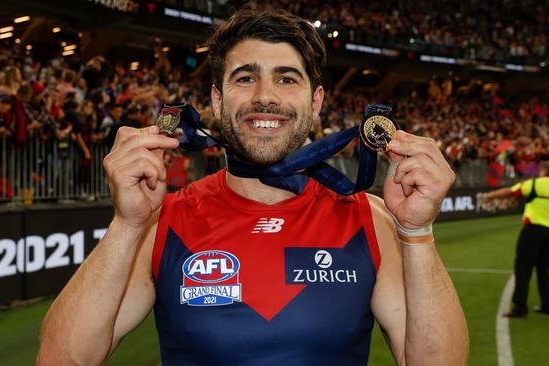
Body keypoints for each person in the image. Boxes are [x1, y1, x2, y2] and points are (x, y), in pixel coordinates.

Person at [37, 9, 468, 365]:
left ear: (315, 101)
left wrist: (416, 233)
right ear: (218, 100)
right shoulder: (163, 222)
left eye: (286, 78)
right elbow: (61, 360)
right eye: (245, 78)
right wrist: (126, 224)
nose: (266, 96)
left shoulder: (368, 219)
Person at [484, 162, 549, 317]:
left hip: (532, 230)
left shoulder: (534, 183)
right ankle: (547, 306)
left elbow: (510, 191)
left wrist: (490, 196)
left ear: (545, 171)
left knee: (523, 268)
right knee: (543, 270)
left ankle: (520, 307)